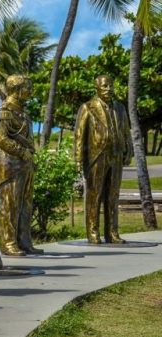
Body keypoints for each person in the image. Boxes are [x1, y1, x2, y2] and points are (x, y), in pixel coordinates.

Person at [73, 75, 131, 244]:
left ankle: (112, 232)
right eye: (105, 86)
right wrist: (78, 159)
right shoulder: (88, 107)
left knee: (113, 195)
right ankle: (93, 232)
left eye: (111, 85)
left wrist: (128, 150)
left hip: (116, 155)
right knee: (94, 195)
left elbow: (126, 131)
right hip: (96, 156)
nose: (108, 89)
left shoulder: (120, 108)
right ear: (96, 88)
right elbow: (79, 135)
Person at [0, 75, 43, 256]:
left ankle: (24, 241)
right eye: (28, 88)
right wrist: (21, 151)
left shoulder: (23, 112)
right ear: (17, 90)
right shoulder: (5, 111)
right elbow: (1, 139)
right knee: (9, 205)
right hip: (10, 165)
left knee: (25, 204)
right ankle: (8, 242)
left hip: (25, 164)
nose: (30, 91)